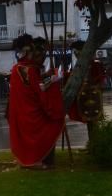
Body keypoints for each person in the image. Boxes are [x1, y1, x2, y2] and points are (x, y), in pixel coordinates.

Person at [8, 34, 65, 169]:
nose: (35, 55)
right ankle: (37, 161)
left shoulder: (16, 68)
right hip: (32, 113)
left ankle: (30, 161)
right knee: (50, 125)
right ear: (27, 52)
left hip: (21, 112)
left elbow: (32, 87)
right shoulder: (30, 69)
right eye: (33, 52)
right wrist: (53, 82)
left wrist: (46, 77)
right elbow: (39, 91)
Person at [67, 41, 105, 139]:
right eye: (75, 53)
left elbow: (101, 81)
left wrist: (95, 86)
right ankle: (92, 144)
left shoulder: (94, 64)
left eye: (77, 53)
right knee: (89, 121)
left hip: (93, 96)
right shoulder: (79, 65)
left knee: (94, 121)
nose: (76, 55)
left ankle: (95, 144)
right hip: (84, 96)